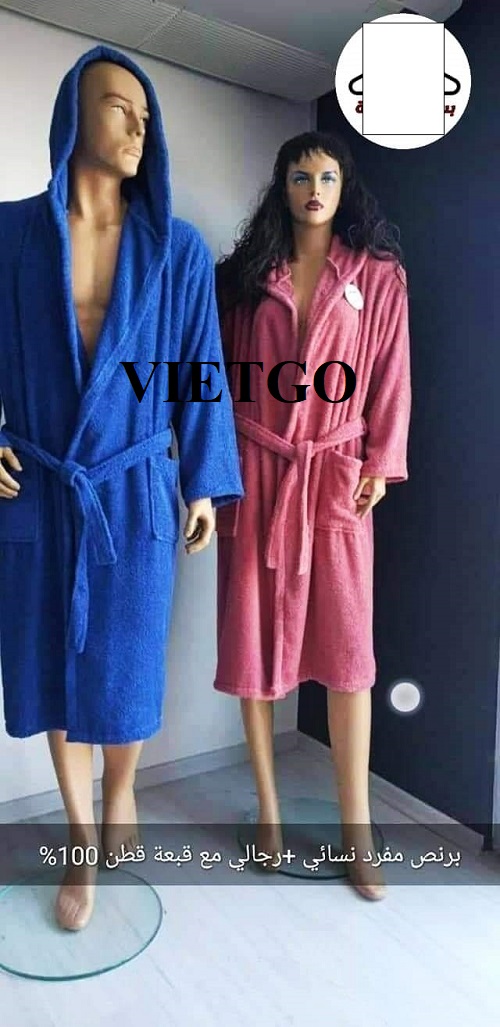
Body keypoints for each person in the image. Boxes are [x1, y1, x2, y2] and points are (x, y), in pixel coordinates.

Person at [0, 45, 243, 930]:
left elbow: (201, 372)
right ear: (74, 112)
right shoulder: (9, 236)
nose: (138, 126)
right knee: (53, 663)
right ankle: (78, 832)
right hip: (38, 484)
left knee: (128, 663)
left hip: (135, 486)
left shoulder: (177, 250)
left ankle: (123, 788)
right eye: (118, 107)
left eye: (147, 116)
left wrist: (204, 485)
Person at [214, 130, 411, 900]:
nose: (314, 189)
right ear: (283, 186)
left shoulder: (377, 277)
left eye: (327, 176)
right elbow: (215, 379)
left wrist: (381, 461)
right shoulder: (246, 279)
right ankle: (266, 811)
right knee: (255, 645)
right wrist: (212, 467)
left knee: (349, 654)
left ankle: (357, 831)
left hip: (335, 477)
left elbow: (391, 373)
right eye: (301, 176)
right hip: (258, 473)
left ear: (344, 185)